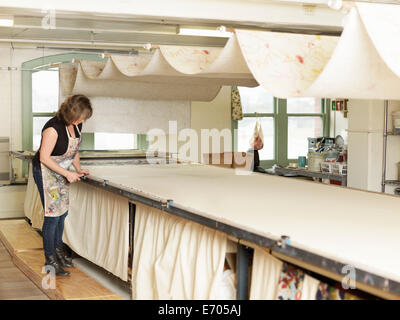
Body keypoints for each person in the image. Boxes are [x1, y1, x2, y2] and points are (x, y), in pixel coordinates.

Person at [32, 94, 93, 276]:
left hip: (62, 172)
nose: (83, 120)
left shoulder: (76, 125)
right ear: (72, 113)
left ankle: (59, 253)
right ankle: (50, 261)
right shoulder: (53, 128)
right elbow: (44, 157)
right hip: (46, 172)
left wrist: (79, 169)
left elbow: (73, 150)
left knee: (62, 213)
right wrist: (67, 173)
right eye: (82, 116)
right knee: (52, 216)